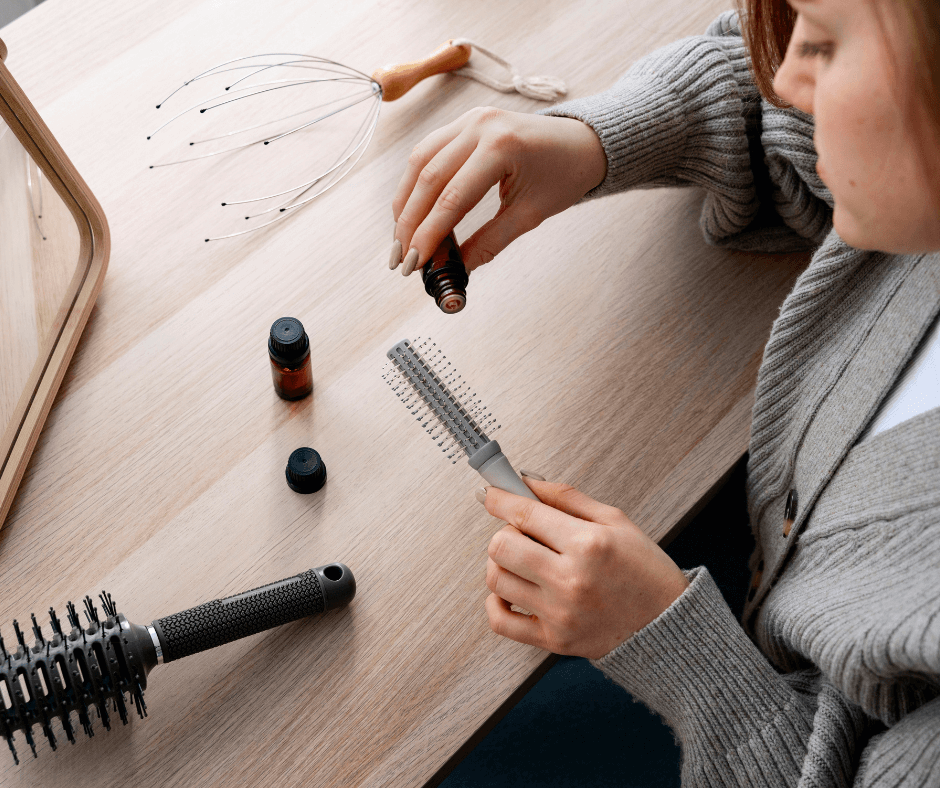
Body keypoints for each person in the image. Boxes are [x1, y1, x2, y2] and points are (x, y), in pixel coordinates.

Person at [390, 0, 940, 785]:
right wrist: (598, 139)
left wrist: (672, 645)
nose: (786, 79)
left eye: (822, 45)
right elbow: (772, 93)